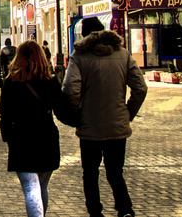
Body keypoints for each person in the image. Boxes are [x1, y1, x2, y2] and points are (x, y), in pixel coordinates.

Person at [62, 17, 147, 217]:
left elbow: (70, 90)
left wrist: (77, 115)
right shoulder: (123, 54)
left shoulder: (79, 57)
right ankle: (125, 209)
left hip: (90, 127)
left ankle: (95, 212)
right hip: (117, 125)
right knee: (115, 171)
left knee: (90, 173)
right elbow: (140, 88)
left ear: (84, 35)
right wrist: (127, 113)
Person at [0, 40, 64, 217]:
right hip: (46, 137)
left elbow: (4, 114)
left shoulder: (11, 82)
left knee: (30, 187)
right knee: (42, 186)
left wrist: (7, 136)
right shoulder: (50, 82)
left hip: (22, 139)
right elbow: (61, 109)